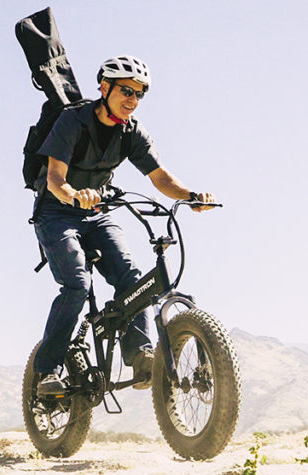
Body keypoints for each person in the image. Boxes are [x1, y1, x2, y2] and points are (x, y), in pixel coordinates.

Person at [31, 54, 216, 397]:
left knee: (131, 278)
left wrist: (191, 196)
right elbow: (55, 179)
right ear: (104, 87)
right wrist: (75, 195)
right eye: (126, 90)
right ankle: (46, 371)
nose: (132, 99)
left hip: (98, 212)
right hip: (56, 212)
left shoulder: (132, 132)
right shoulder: (73, 121)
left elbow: (160, 178)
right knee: (76, 283)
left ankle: (142, 355)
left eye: (139, 94)